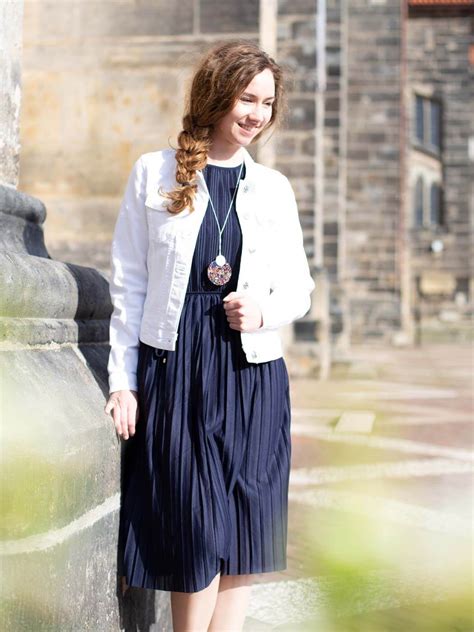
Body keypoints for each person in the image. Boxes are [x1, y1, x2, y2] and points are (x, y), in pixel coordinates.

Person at [104, 39, 315, 632]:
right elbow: (129, 286)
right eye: (247, 98)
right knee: (193, 526)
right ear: (218, 95)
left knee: (245, 522)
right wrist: (124, 382)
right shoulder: (155, 171)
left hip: (252, 371)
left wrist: (264, 311)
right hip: (179, 367)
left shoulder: (274, 189)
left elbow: (300, 289)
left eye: (267, 103)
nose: (256, 114)